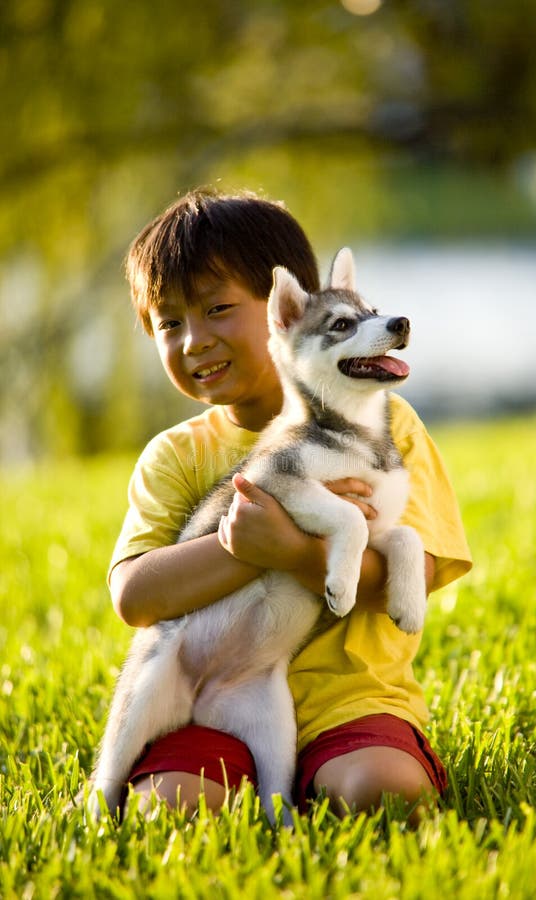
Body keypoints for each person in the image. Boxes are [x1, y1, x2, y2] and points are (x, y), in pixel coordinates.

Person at [108, 188, 472, 822]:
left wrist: (294, 549)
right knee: (166, 813)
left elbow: (417, 576)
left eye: (217, 308)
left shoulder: (390, 425)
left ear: (289, 313)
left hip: (352, 695)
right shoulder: (174, 455)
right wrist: (245, 546)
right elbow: (136, 597)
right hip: (211, 696)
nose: (194, 340)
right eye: (169, 322)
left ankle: (322, 777)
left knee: (386, 797)